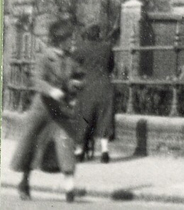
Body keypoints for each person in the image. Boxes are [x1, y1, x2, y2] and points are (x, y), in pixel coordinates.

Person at [10, 19, 84, 201]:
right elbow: (37, 80)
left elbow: (74, 79)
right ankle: (24, 182)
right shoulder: (44, 57)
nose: (72, 41)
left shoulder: (69, 59)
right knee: (31, 147)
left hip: (60, 111)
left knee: (65, 145)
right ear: (60, 39)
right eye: (69, 38)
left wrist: (74, 85)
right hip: (41, 111)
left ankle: (69, 189)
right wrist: (51, 90)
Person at [73, 23, 115, 163]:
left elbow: (73, 68)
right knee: (105, 118)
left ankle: (79, 152)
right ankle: (104, 151)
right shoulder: (107, 48)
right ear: (98, 34)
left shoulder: (80, 49)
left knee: (83, 117)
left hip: (87, 87)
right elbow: (110, 66)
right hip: (104, 86)